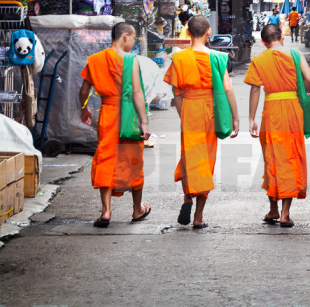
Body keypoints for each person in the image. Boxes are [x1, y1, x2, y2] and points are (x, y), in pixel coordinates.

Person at [165, 15, 240, 228]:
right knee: (206, 160)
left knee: (190, 157)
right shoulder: (218, 57)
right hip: (210, 111)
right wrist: (235, 117)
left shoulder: (179, 59)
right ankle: (198, 217)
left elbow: (176, 93)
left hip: (189, 108)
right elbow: (227, 89)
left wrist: (184, 115)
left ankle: (187, 197)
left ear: (187, 33)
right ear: (209, 32)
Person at [79, 22, 152, 227]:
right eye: (134, 38)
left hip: (108, 114)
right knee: (133, 161)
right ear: (125, 36)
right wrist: (144, 122)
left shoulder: (95, 60)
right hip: (128, 116)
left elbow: (84, 91)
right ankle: (137, 210)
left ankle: (106, 211)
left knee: (106, 159)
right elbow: (137, 92)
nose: (134, 42)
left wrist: (84, 108)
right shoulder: (131, 60)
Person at [244, 23, 310, 228]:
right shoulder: (295, 54)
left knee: (272, 159)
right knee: (290, 157)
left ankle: (273, 209)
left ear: (264, 42)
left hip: (271, 110)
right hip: (293, 110)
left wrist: (251, 118)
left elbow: (255, 90)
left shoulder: (259, 59)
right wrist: (301, 92)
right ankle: (284, 213)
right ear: (282, 36)